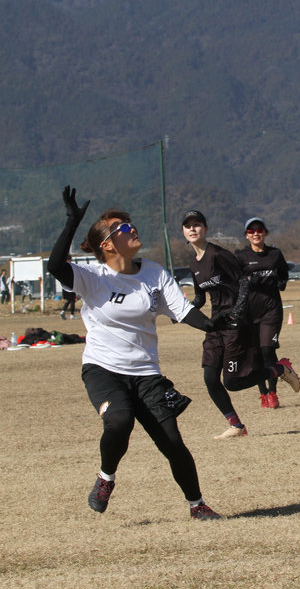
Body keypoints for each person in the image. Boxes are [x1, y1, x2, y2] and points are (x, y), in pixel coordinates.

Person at [47, 186, 224, 519]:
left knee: (172, 442)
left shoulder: (154, 273)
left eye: (130, 224)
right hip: (103, 369)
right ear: (107, 244)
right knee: (119, 420)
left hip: (146, 373)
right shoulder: (94, 277)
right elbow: (55, 266)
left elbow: (183, 310)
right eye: (123, 228)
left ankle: (197, 506)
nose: (133, 229)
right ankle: (106, 477)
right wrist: (72, 222)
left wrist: (212, 325)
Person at [182, 210, 300, 438]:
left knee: (232, 383)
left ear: (205, 229)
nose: (193, 229)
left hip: (236, 325)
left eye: (197, 225)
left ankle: (280, 369)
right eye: (188, 226)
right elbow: (199, 298)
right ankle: (236, 426)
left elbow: (244, 282)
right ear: (183, 232)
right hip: (216, 325)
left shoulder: (219, 254)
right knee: (209, 378)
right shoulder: (193, 263)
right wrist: (179, 310)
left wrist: (236, 313)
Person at [236, 217, 294, 409]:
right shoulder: (241, 256)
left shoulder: (275, 254)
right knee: (255, 355)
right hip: (249, 312)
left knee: (267, 350)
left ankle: (273, 393)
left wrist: (279, 281)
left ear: (265, 233)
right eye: (251, 231)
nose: (255, 233)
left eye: (259, 230)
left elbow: (284, 276)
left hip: (271, 310)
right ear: (246, 235)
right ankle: (263, 393)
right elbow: (234, 280)